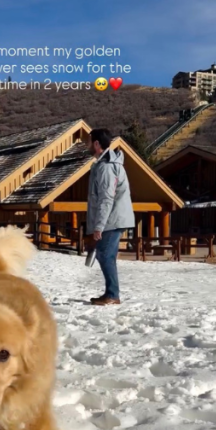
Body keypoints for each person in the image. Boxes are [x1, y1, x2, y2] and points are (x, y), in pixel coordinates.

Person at [86, 128, 134, 305]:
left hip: (112, 220)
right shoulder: (103, 164)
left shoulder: (106, 167)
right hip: (113, 219)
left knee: (105, 255)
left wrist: (98, 226)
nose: (87, 145)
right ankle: (111, 293)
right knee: (107, 255)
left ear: (97, 144)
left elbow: (106, 198)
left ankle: (113, 294)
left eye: (89, 141)